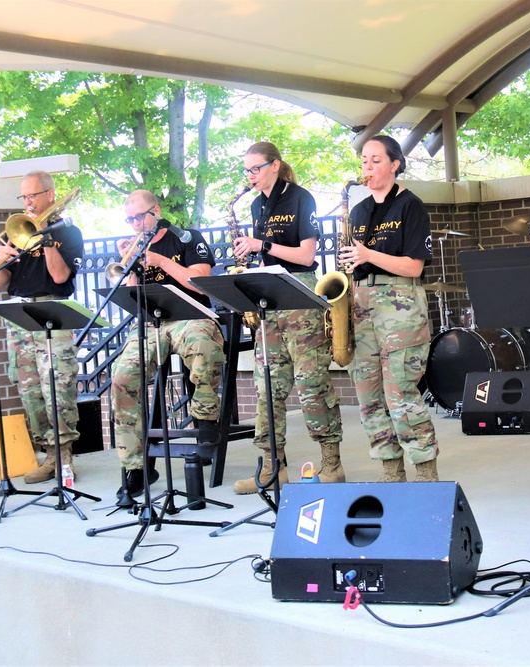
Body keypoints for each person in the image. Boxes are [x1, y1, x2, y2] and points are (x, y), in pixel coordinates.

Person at [231, 142, 344, 494]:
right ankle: (271, 467)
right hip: (269, 296)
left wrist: (259, 245)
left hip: (299, 291)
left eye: (255, 169)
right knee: (267, 386)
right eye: (246, 170)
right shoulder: (255, 204)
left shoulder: (300, 197)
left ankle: (331, 463)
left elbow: (306, 253)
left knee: (311, 382)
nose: (250, 176)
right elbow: (263, 254)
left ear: (275, 165)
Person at [110, 190, 225, 499]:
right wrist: (132, 270)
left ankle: (205, 420)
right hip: (152, 322)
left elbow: (199, 279)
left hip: (191, 317)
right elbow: (134, 297)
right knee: (122, 377)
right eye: (130, 219)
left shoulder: (186, 238)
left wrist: (160, 260)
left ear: (156, 211)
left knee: (205, 347)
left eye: (140, 216)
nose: (135, 224)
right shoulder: (135, 247)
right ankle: (135, 466)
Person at [338, 135, 439, 482]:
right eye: (364, 160)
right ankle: (391, 474)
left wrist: (368, 255)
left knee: (401, 395)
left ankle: (426, 475)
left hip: (401, 305)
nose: (367, 167)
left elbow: (414, 267)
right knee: (368, 397)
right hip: (361, 304)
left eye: (375, 160)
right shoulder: (357, 211)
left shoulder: (411, 206)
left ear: (395, 164)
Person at [0, 170, 84, 484]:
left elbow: (60, 277)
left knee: (57, 386)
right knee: (29, 390)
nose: (28, 202)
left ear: (50, 194)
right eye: (24, 197)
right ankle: (49, 456)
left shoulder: (68, 232)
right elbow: (2, 282)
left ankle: (65, 456)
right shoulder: (15, 230)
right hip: (19, 313)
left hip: (53, 309)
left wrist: (45, 237)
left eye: (32, 195)